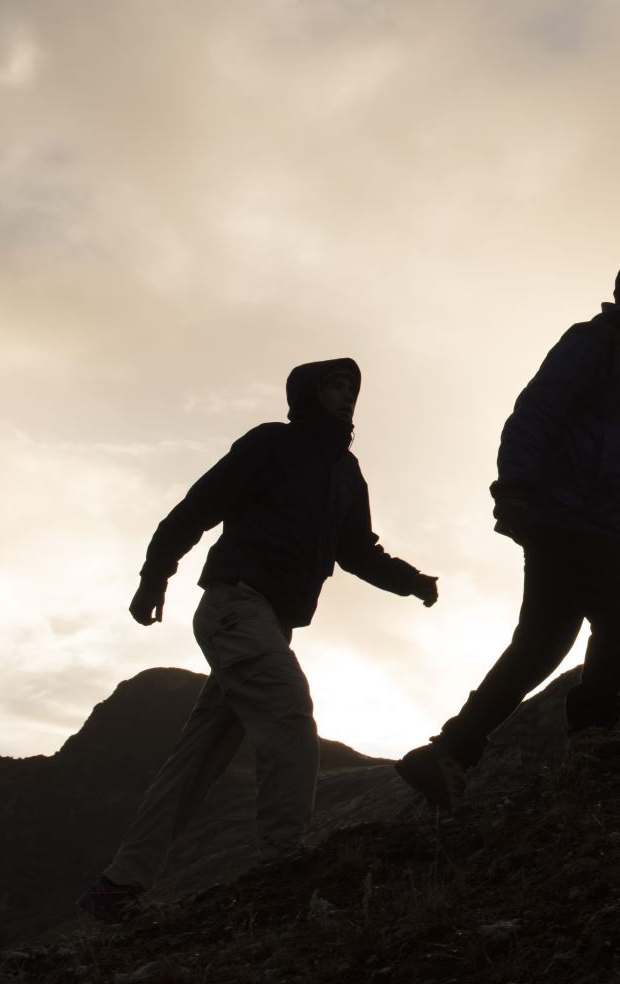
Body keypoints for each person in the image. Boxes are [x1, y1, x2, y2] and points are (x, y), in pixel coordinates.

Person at [77, 358, 438, 923]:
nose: (347, 396)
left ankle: (117, 886)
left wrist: (410, 581)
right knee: (291, 716)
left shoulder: (346, 471)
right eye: (335, 386)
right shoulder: (272, 444)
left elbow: (357, 550)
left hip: (267, 623)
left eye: (353, 388)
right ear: (307, 394)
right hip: (235, 606)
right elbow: (200, 504)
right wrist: (155, 572)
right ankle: (282, 863)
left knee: (195, 762)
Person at [395, 265, 620, 811]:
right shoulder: (592, 344)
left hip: (599, 522)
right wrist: (513, 488)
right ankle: (589, 740)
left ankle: (450, 751)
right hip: (567, 516)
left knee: (541, 642)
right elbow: (536, 412)